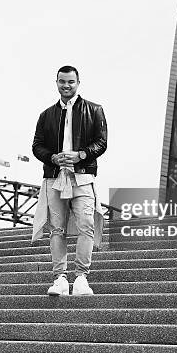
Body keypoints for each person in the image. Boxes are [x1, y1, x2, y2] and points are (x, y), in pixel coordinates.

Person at [31, 65, 108, 296]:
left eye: (71, 82)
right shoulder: (46, 115)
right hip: (54, 177)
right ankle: (60, 279)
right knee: (57, 229)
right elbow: (36, 146)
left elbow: (101, 142)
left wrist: (81, 155)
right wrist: (52, 157)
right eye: (62, 81)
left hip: (82, 176)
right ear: (56, 83)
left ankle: (82, 278)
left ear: (78, 83)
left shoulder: (94, 110)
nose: (66, 85)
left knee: (86, 225)